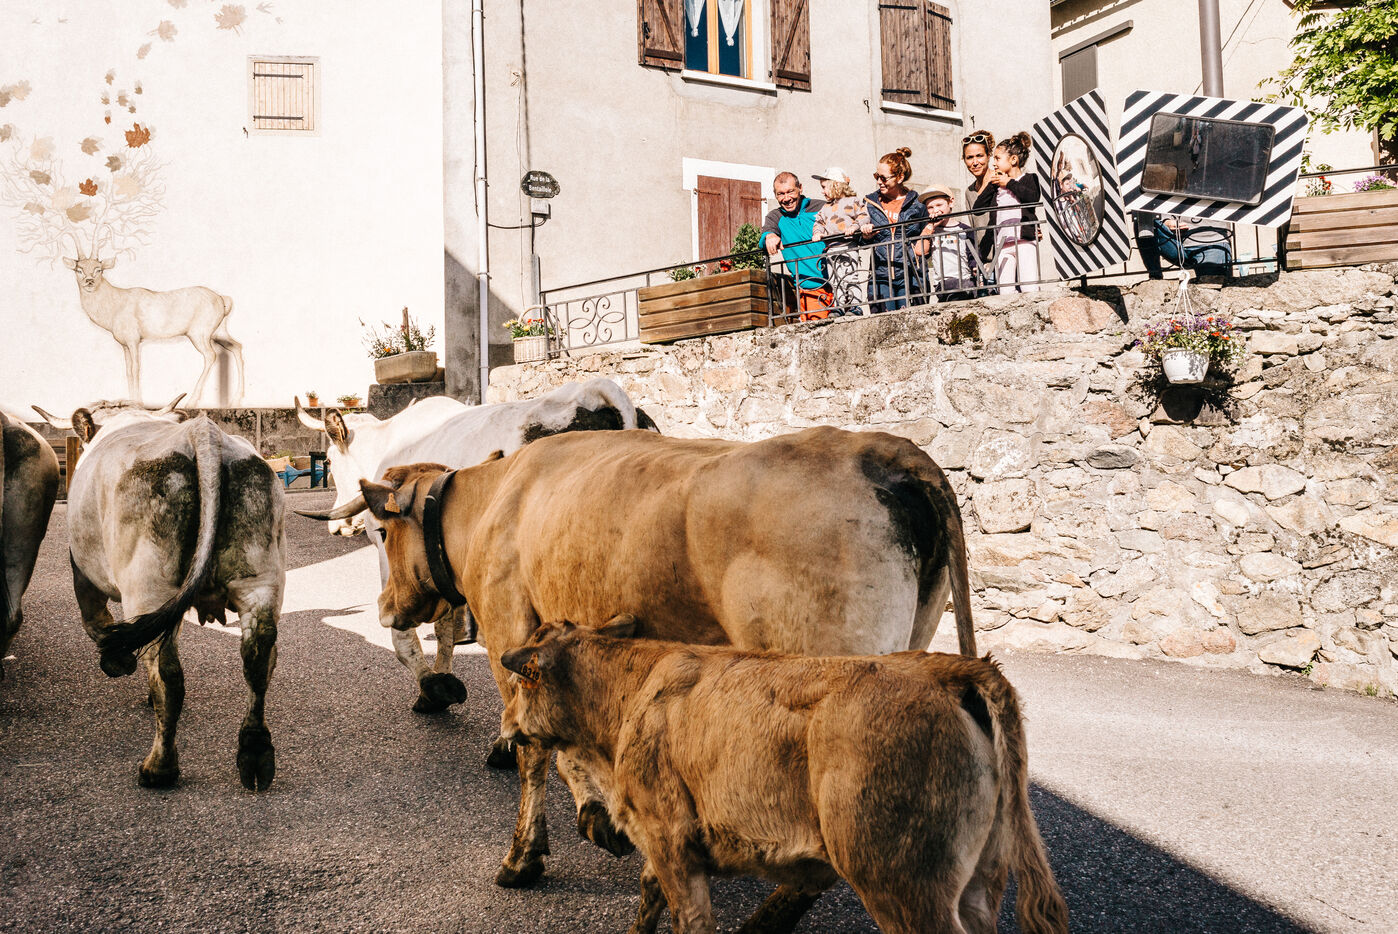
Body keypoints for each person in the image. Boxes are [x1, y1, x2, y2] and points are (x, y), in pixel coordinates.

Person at [860, 147, 929, 313]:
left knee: (913, 321)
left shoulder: (917, 203)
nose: (879, 181)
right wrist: (866, 236)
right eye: (876, 176)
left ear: (900, 177)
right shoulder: (870, 203)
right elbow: (860, 240)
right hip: (880, 276)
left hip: (911, 274)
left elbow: (926, 233)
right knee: (882, 323)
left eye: (883, 178)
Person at [761, 172, 829, 321]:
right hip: (811, 288)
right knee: (821, 330)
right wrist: (769, 236)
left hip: (840, 281)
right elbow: (765, 235)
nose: (786, 198)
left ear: (800, 188)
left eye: (790, 191)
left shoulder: (822, 207)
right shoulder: (775, 217)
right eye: (781, 194)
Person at [982, 132, 1041, 294]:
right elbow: (978, 206)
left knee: (1029, 286)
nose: (994, 163)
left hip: (1024, 240)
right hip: (1002, 242)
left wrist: (1009, 183)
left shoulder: (1029, 178)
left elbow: (1032, 197)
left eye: (997, 158)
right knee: (1005, 291)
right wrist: (992, 184)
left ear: (1013, 160)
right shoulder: (996, 186)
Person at [809, 167, 870, 315]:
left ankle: (855, 305)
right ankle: (839, 306)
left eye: (824, 187)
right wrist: (817, 233)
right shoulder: (825, 207)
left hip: (848, 246)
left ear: (836, 185)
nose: (822, 192)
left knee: (850, 276)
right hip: (831, 248)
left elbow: (864, 216)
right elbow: (819, 222)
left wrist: (854, 227)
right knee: (835, 279)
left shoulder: (853, 201)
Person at [917, 184, 982, 301]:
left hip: (965, 281)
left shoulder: (965, 230)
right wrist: (930, 226)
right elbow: (920, 251)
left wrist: (976, 270)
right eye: (930, 207)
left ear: (950, 202)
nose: (935, 210)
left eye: (939, 205)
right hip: (943, 284)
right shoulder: (931, 231)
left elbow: (974, 256)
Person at [961, 131, 997, 277]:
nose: (975, 162)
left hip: (1008, 255)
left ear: (989, 155)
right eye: (969, 157)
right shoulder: (969, 192)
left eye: (979, 156)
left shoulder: (1001, 180)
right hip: (985, 264)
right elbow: (975, 230)